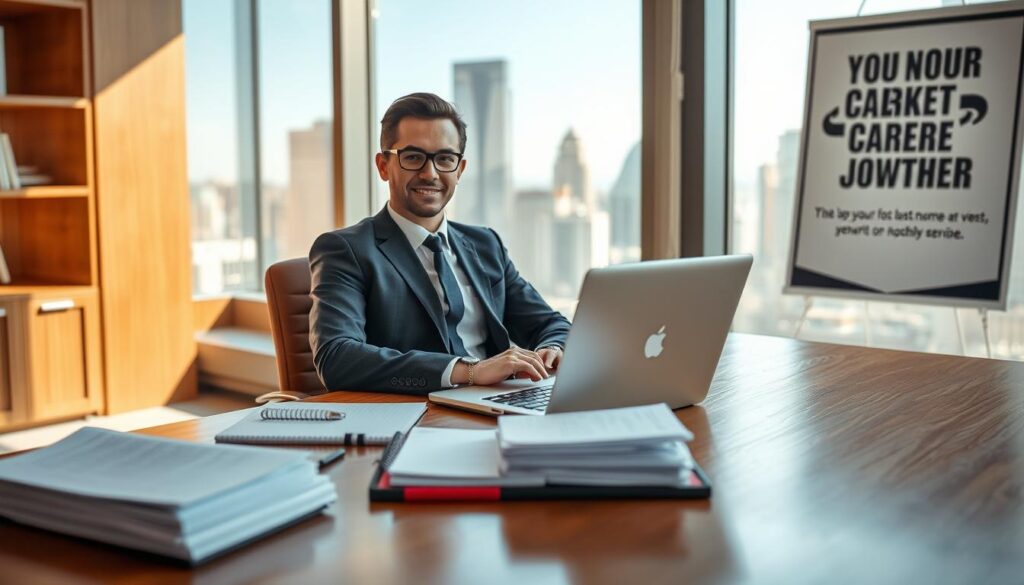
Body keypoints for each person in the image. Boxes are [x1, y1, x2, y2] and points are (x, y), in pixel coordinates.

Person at [309, 92, 571, 394]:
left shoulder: (486, 245)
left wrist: (552, 348)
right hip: (413, 417)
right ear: (383, 166)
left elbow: (551, 324)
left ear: (459, 170)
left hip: (500, 406)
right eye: (412, 157)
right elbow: (337, 358)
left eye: (445, 159)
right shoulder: (346, 250)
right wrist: (470, 371)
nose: (429, 173)